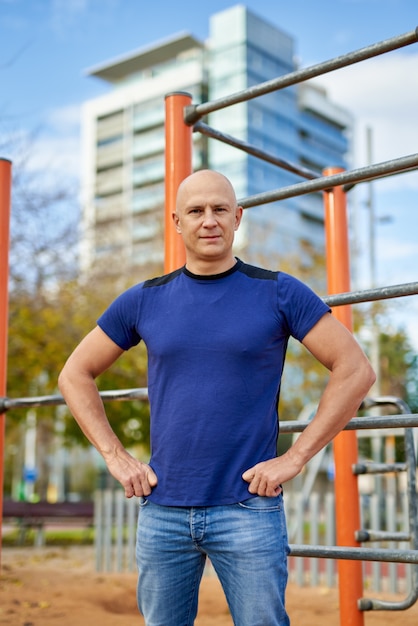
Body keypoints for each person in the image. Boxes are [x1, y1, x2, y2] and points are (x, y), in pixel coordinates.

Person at [58, 169, 375, 626]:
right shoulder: (145, 299)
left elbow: (356, 369)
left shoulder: (278, 292)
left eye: (220, 209)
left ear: (237, 217)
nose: (209, 220)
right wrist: (115, 455)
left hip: (248, 507)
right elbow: (75, 373)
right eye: (196, 211)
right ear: (177, 222)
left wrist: (297, 456)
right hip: (162, 509)